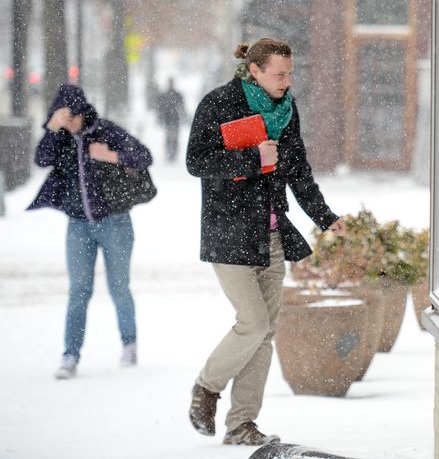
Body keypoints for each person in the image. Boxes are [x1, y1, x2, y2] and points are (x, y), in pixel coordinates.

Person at [186, 37, 347, 446]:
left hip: (272, 235)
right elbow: (196, 162)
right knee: (253, 323)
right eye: (279, 73)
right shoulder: (219, 103)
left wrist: (324, 217)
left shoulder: (286, 110)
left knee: (265, 332)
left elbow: (298, 171)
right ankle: (207, 387)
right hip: (230, 232)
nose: (286, 80)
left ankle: (242, 425)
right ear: (254, 70)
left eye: (290, 72)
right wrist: (251, 159)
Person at [27, 84, 153, 380]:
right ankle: (70, 355)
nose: (66, 121)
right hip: (78, 226)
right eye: (60, 116)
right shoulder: (60, 139)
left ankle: (129, 345)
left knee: (119, 288)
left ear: (81, 111)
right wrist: (51, 128)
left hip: (115, 223)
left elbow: (144, 156)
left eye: (69, 115)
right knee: (78, 292)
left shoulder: (106, 131)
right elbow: (41, 160)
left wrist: (111, 156)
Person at [155, 78, 186, 162]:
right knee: (168, 138)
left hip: (176, 120)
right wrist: (160, 118)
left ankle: (174, 154)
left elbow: (182, 108)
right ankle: (169, 154)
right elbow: (160, 108)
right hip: (168, 120)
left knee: (175, 138)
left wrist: (183, 117)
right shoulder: (164, 95)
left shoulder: (177, 95)